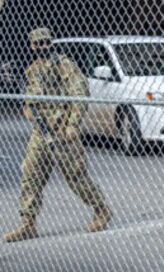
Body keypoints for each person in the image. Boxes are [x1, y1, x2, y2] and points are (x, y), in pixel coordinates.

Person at [4, 27, 112, 243]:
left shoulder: (64, 64)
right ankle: (28, 223)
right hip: (40, 133)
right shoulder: (32, 70)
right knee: (30, 175)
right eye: (39, 43)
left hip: (62, 130)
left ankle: (101, 210)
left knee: (75, 177)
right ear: (32, 46)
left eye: (46, 42)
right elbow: (29, 100)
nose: (43, 46)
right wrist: (28, 111)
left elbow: (80, 92)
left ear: (51, 43)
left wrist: (72, 124)